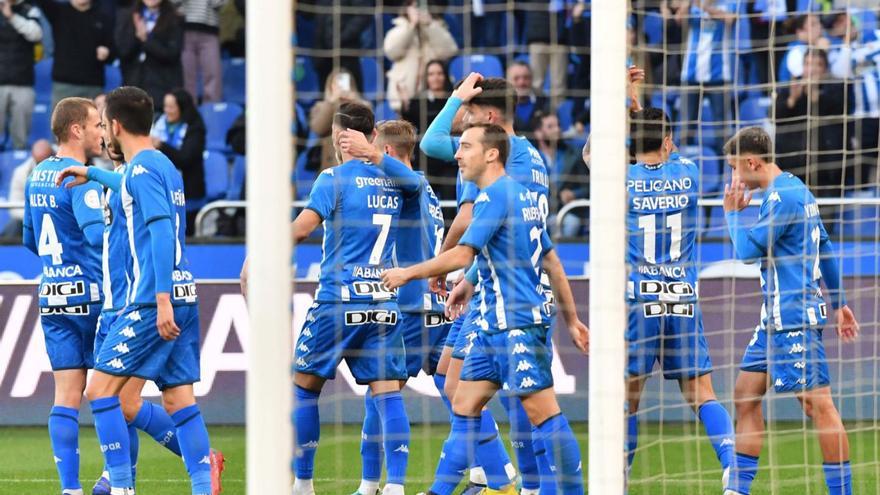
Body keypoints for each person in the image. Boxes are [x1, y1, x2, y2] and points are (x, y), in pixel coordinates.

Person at [382, 123, 589, 495]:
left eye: (465, 146)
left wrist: (407, 273)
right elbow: (552, 261)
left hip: (519, 326)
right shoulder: (522, 195)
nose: (457, 154)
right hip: (491, 326)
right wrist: (571, 319)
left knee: (543, 413)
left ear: (491, 153)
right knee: (464, 404)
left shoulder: (494, 196)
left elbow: (463, 253)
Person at [55, 86, 217, 495]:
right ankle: (203, 485)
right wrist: (90, 172)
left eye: (105, 122)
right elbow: (126, 182)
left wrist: (159, 298)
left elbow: (161, 230)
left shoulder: (142, 170)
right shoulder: (160, 164)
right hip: (185, 294)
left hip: (152, 300)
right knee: (180, 402)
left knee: (101, 392)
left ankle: (122, 485)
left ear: (116, 125)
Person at [247, 101, 412, 495]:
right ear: (373, 135)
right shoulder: (398, 181)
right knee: (387, 394)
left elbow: (303, 229)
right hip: (383, 302)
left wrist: (260, 253)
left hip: (339, 301)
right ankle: (396, 487)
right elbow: (417, 187)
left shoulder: (332, 179)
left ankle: (302, 485)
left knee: (304, 387)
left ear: (340, 138)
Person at [419, 73, 555, 494]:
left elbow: (469, 222)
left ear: (490, 119)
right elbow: (429, 143)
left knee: (519, 397)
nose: (460, 123)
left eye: (469, 114)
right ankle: (496, 475)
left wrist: (442, 268)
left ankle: (519, 482)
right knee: (450, 378)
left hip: (503, 290)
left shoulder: (497, 163)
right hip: (490, 281)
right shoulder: (519, 155)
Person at [721, 126, 858, 495]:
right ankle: (737, 489)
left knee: (819, 406)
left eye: (735, 168)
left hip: (794, 315)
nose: (733, 177)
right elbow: (825, 248)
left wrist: (732, 214)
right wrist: (841, 302)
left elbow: (748, 252)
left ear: (752, 162)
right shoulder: (796, 189)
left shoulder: (782, 197)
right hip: (774, 318)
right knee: (745, 394)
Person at [337, 120, 450, 495]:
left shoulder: (407, 186)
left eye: (374, 148)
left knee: (385, 392)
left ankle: (389, 485)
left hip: (410, 306)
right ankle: (372, 485)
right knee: (447, 391)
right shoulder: (425, 188)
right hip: (430, 305)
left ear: (384, 152)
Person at [625, 108, 735, 488]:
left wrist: (628, 105)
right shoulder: (689, 172)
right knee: (703, 393)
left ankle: (617, 477)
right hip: (681, 296)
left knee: (628, 398)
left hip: (639, 298)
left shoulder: (621, 179)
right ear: (668, 141)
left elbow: (594, 155)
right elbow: (657, 145)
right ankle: (732, 466)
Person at [21, 98, 104, 495]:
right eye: (96, 125)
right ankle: (118, 480)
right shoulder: (81, 179)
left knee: (66, 396)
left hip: (53, 296)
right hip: (92, 296)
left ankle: (70, 489)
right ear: (77, 130)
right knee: (114, 394)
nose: (101, 132)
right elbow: (98, 238)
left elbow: (29, 239)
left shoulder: (38, 173)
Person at [774, 49, 849, 199]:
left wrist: (815, 97)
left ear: (825, 69)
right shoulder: (789, 89)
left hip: (825, 172)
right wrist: (792, 100)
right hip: (793, 168)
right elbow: (776, 117)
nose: (812, 69)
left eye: (817, 65)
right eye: (807, 64)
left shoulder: (836, 89)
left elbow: (837, 114)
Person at [35, 0, 114, 110]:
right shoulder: (58, 11)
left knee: (94, 126)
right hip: (64, 85)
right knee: (62, 126)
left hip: (93, 86)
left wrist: (107, 52)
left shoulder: (103, 16)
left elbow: (114, 50)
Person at [383, 0, 457, 113]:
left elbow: (449, 51)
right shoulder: (398, 28)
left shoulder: (437, 26)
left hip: (434, 102)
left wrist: (429, 25)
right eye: (414, 6)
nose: (418, 9)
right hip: (404, 96)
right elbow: (391, 52)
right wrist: (411, 26)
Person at [150, 88, 207, 234]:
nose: (166, 110)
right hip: (162, 190)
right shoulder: (159, 123)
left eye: (171, 106)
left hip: (189, 192)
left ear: (182, 107)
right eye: (165, 106)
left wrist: (161, 146)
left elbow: (185, 158)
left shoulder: (195, 128)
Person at [400, 59, 456, 200]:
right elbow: (409, 123)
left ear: (445, 76)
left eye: (439, 73)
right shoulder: (417, 101)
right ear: (426, 78)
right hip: (424, 160)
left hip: (447, 162)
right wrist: (404, 105)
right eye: (431, 74)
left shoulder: (453, 101)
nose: (435, 77)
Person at [115, 0, 184, 112]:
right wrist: (137, 38)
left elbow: (172, 54)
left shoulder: (175, 18)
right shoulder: (128, 16)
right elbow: (122, 51)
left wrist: (147, 40)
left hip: (162, 90)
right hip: (133, 88)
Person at [530, 111, 586, 237]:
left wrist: (573, 194)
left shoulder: (573, 155)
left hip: (566, 213)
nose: (557, 130)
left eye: (558, 125)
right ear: (538, 133)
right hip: (538, 215)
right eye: (550, 127)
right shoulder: (529, 158)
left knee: (572, 223)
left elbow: (588, 187)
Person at [0, 0, 43, 149]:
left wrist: (11, 16)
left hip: (23, 82)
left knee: (21, 137)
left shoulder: (29, 9)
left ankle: (19, 158)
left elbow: (36, 34)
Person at [308, 69, 368, 171]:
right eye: (337, 83)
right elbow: (318, 128)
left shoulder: (362, 105)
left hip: (357, 165)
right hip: (330, 166)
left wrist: (354, 101)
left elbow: (367, 126)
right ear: (330, 85)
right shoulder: (320, 107)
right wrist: (331, 103)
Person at [174, 0, 227, 103]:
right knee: (186, 77)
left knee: (213, 75)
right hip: (183, 29)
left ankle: (212, 112)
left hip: (209, 31)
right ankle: (188, 113)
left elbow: (219, 4)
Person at [2, 139, 52, 238]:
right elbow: (14, 207)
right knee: (13, 226)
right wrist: (34, 216)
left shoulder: (67, 165)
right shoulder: (21, 172)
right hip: (33, 218)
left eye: (46, 161)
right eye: (39, 162)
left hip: (61, 216)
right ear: (34, 158)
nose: (43, 166)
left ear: (52, 155)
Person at [506, 61, 548, 134]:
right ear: (507, 81)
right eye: (516, 78)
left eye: (526, 78)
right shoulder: (500, 104)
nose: (521, 82)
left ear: (532, 79)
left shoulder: (543, 101)